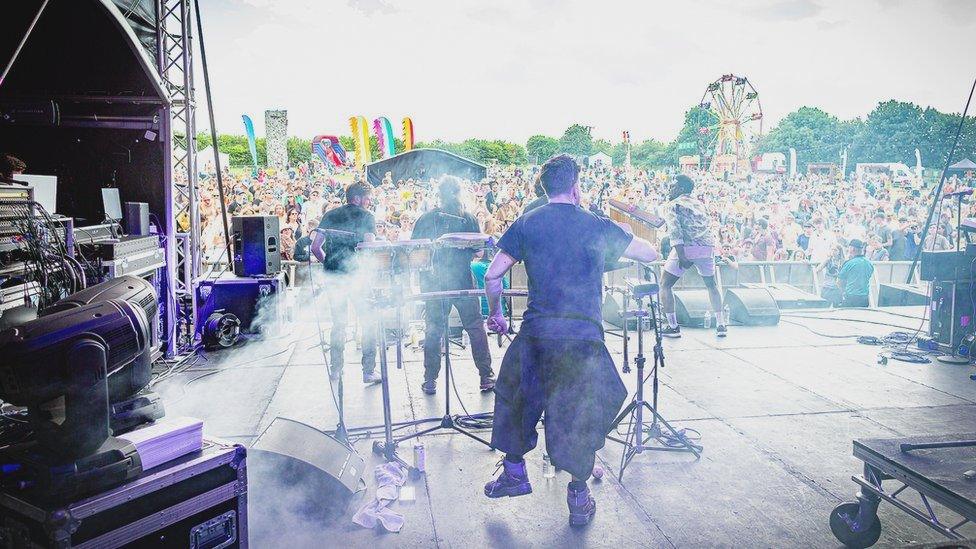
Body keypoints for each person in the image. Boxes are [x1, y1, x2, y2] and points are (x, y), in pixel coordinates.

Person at [480, 154, 659, 527]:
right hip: (582, 338)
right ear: (576, 186)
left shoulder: (527, 222)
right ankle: (578, 493)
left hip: (537, 334)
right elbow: (649, 253)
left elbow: (493, 276)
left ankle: (514, 472)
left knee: (514, 396)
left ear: (545, 188)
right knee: (578, 413)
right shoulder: (595, 224)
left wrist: (496, 315)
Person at [411, 176, 495, 395]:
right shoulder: (467, 219)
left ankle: (430, 381)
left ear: (439, 194)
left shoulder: (426, 219)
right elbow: (478, 251)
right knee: (475, 327)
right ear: (458, 193)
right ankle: (486, 376)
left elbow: (415, 253)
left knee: (434, 330)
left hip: (433, 283)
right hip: (462, 278)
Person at [311, 183, 381, 385]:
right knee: (368, 322)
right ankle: (368, 371)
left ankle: (336, 370)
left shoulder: (330, 215)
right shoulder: (367, 216)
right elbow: (369, 248)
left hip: (333, 277)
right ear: (358, 198)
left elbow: (316, 247)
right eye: (368, 198)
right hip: (358, 277)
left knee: (338, 324)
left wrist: (330, 263)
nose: (369, 202)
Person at [659, 174, 727, 338]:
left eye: (673, 186)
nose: (670, 188)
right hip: (707, 247)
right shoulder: (700, 204)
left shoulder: (672, 205)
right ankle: (721, 324)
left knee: (665, 284)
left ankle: (673, 326)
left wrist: (682, 255)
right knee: (711, 285)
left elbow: (675, 231)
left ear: (681, 188)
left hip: (687, 247)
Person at [837, 239, 873, 308]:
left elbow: (839, 282)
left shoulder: (849, 263)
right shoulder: (869, 263)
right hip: (864, 298)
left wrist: (842, 293)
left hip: (851, 298)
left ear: (852, 249)